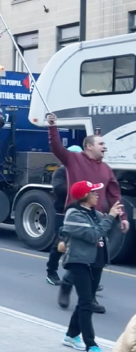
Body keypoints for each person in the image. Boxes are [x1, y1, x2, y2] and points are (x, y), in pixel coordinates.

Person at [48, 113, 128, 312]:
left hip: (99, 218)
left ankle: (89, 298)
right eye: (101, 143)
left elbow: (114, 195)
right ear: (89, 146)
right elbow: (57, 148)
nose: (105, 146)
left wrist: (123, 217)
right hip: (78, 216)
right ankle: (67, 286)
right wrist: (52, 127)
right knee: (80, 259)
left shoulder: (107, 170)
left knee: (98, 260)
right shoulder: (73, 159)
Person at [59, 181, 122, 352]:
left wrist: (118, 218)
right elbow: (92, 234)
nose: (97, 195)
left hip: (95, 262)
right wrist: (109, 217)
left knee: (83, 302)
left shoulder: (94, 213)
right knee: (87, 303)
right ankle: (91, 344)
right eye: (93, 193)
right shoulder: (74, 214)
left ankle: (71, 335)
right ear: (84, 196)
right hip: (80, 262)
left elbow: (106, 228)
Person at [46, 145, 83, 286]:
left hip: (80, 212)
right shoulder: (61, 172)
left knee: (82, 245)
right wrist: (79, 190)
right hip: (63, 212)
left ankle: (86, 277)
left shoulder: (81, 172)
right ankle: (51, 271)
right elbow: (59, 189)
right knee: (60, 243)